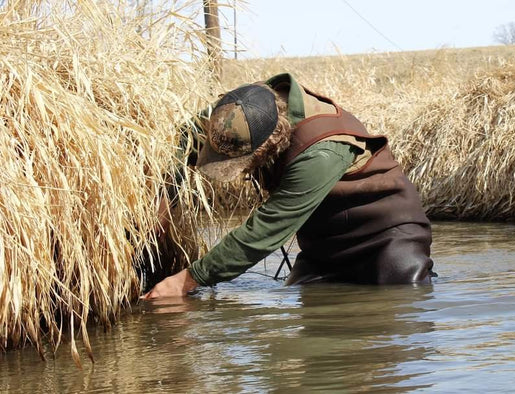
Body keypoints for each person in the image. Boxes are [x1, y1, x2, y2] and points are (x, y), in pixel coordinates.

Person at [141, 73, 434, 299]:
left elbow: (265, 230)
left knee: (400, 307)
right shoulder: (244, 106)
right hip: (322, 248)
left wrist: (187, 279)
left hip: (387, 239)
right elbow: (185, 136)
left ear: (269, 148)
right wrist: (165, 200)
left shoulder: (320, 152)